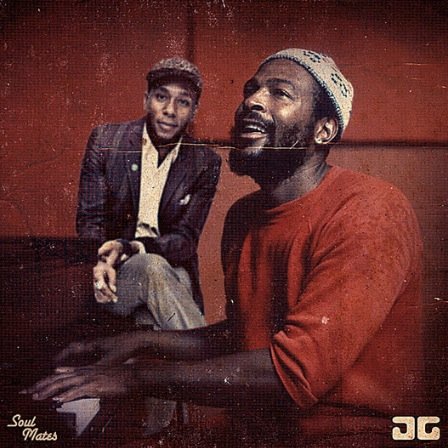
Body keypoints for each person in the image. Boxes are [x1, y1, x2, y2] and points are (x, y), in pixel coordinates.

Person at [24, 49, 424, 447]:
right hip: (255, 432)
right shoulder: (243, 216)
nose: (252, 101)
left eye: (279, 93)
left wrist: (134, 376)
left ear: (324, 130)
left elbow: (294, 371)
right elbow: (246, 336)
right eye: (251, 90)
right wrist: (141, 343)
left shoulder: (370, 209)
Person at [75, 56, 221, 433]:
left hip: (166, 277)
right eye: (161, 97)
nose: (170, 110)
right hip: (112, 279)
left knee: (154, 314)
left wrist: (134, 246)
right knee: (155, 271)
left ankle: (156, 432)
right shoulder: (107, 142)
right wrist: (103, 259)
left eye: (183, 102)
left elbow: (185, 242)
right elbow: (89, 222)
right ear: (146, 100)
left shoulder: (204, 161)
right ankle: (218, 384)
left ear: (194, 111)